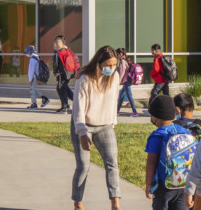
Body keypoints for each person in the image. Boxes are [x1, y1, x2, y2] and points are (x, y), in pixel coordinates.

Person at [70, 45, 124, 210]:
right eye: (107, 65)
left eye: (113, 65)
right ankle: (78, 203)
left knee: (112, 163)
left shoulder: (114, 77)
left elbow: (113, 101)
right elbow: (78, 109)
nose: (111, 68)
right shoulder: (84, 79)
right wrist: (82, 133)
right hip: (83, 125)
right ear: (98, 63)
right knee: (83, 166)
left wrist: (113, 123)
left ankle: (115, 203)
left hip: (105, 125)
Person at [143, 95, 192, 210]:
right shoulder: (185, 131)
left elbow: (151, 162)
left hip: (163, 186)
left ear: (156, 116)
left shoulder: (157, 136)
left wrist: (149, 184)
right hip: (183, 183)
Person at [54, 35, 77, 114]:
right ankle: (76, 102)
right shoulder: (68, 51)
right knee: (65, 88)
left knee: (60, 89)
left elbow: (55, 65)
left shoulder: (58, 53)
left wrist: (55, 72)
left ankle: (65, 107)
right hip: (68, 73)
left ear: (57, 44)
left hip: (61, 74)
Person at [116, 48, 141, 117]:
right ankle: (117, 111)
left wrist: (118, 82)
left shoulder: (122, 61)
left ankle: (135, 112)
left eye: (117, 54)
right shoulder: (126, 60)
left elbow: (122, 73)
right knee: (121, 96)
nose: (116, 56)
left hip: (126, 81)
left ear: (120, 54)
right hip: (127, 80)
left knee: (129, 96)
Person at [24, 45, 50, 109]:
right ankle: (44, 98)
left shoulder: (32, 59)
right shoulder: (36, 57)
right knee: (33, 89)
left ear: (29, 52)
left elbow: (31, 70)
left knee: (32, 90)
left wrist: (30, 79)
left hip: (33, 77)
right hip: (36, 76)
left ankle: (34, 104)